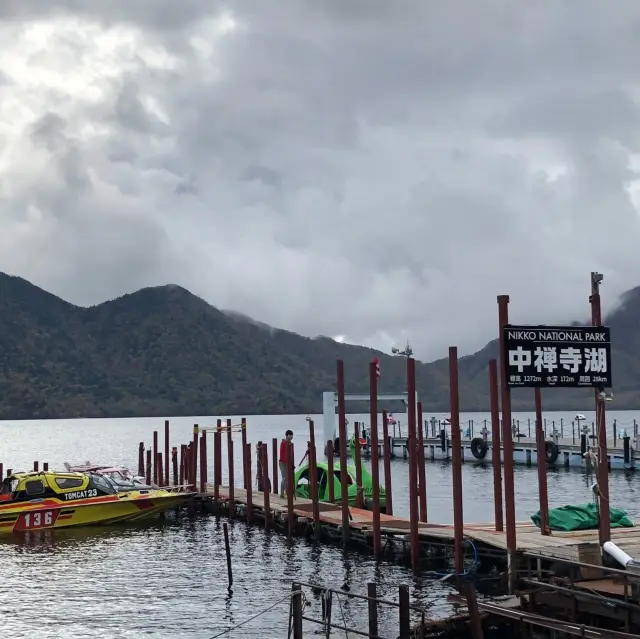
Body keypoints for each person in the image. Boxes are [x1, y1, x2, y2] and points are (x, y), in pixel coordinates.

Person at [279, 429, 294, 498]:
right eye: (290, 435)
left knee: (288, 478)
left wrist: (291, 464)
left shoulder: (289, 444)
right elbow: (284, 455)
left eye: (292, 435)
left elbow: (290, 455)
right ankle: (282, 493)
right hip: (283, 463)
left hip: (288, 463)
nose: (291, 437)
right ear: (287, 435)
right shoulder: (284, 443)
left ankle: (287, 493)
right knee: (285, 478)